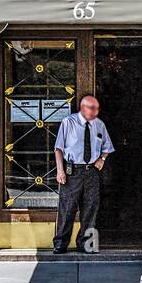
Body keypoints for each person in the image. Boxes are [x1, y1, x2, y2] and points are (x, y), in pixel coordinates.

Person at [53, 94, 114, 254]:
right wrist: (60, 170)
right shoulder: (69, 122)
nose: (95, 111)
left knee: (90, 209)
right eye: (92, 108)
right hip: (72, 171)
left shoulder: (99, 125)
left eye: (97, 108)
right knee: (67, 208)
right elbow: (58, 148)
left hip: (91, 171)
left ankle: (86, 244)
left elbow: (107, 147)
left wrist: (102, 159)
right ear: (83, 108)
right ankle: (60, 243)